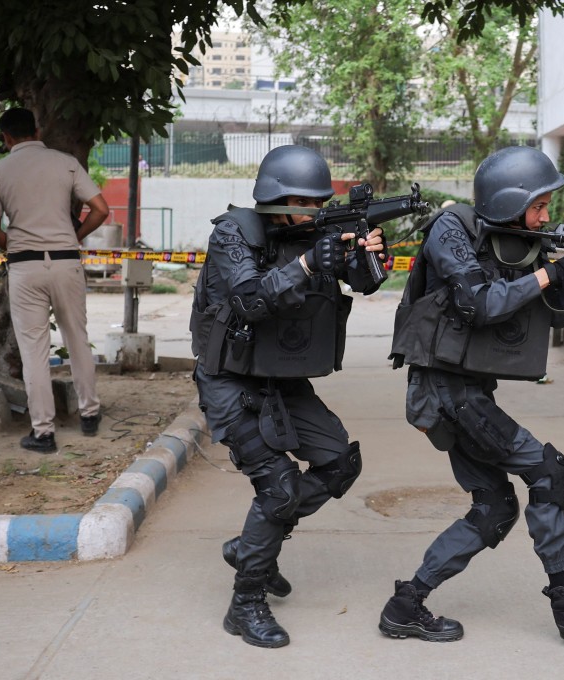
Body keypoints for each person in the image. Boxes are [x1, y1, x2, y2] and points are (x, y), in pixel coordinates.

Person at [382, 145, 564, 642]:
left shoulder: (515, 244)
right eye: (539, 207)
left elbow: (549, 315)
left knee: (494, 507)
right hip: (445, 392)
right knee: (549, 473)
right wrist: (550, 271)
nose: (546, 217)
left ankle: (405, 605)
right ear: (509, 201)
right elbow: (480, 303)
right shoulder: (453, 231)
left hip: (462, 392)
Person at [189, 145, 386, 648]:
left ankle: (254, 543)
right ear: (276, 199)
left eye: (321, 202)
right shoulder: (233, 233)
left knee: (340, 462)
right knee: (277, 489)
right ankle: (245, 603)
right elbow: (248, 298)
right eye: (307, 202)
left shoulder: (315, 233)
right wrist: (306, 263)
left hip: (281, 377)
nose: (317, 212)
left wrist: (365, 258)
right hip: (229, 379)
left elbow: (362, 285)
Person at [0, 107, 108, 453]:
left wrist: (20, 245)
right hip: (67, 262)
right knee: (77, 338)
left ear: (6, 138)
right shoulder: (65, 162)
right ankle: (90, 413)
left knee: (34, 350)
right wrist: (75, 235)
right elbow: (101, 209)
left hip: (25, 267)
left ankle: (43, 433)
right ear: (36, 131)